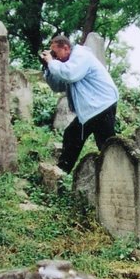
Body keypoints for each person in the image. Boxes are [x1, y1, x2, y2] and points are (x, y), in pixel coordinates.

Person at [40, 34, 119, 174]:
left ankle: (117, 174)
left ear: (66, 48)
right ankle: (61, 172)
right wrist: (48, 68)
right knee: (72, 135)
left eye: (55, 52)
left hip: (102, 105)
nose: (55, 57)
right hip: (88, 110)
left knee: (106, 144)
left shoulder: (81, 55)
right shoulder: (67, 63)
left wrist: (52, 62)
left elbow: (70, 74)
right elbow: (58, 86)